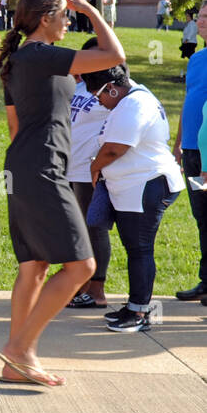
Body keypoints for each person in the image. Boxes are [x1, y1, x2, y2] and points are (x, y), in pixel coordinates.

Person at [0, 0, 124, 386]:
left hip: (22, 166)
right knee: (82, 266)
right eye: (65, 16)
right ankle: (21, 350)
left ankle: (16, 361)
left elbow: (14, 126)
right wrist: (91, 8)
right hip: (42, 169)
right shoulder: (41, 55)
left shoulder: (18, 59)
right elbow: (115, 56)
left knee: (34, 267)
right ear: (46, 18)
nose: (69, 22)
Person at [85, 66, 183, 332]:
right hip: (136, 184)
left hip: (145, 184)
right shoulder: (131, 98)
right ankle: (136, 307)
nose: (99, 102)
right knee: (136, 249)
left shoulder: (135, 103)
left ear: (113, 89)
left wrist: (95, 167)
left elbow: (117, 147)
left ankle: (139, 313)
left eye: (99, 96)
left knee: (139, 249)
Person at [64, 38, 116, 310]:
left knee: (93, 228)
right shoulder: (80, 85)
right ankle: (79, 284)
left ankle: (97, 290)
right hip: (69, 168)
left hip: (90, 170)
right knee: (76, 229)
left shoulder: (112, 90)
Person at [174, 1, 207, 301]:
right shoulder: (196, 60)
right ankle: (206, 280)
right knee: (202, 214)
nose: (202, 22)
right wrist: (178, 144)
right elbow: (189, 103)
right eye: (201, 17)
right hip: (193, 151)